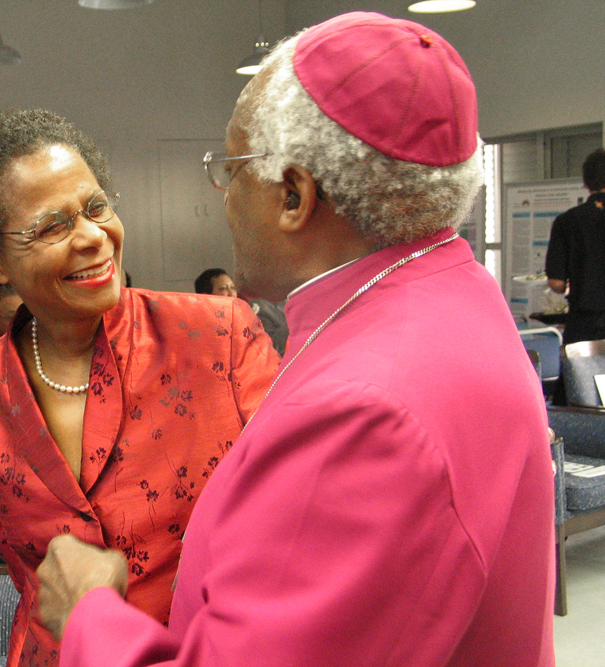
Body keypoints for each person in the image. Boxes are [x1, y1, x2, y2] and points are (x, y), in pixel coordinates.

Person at [36, 12, 555, 667]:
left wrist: (88, 612)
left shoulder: (364, 410)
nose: (223, 198)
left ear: (291, 195)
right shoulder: (454, 290)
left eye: (230, 169)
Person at [0, 108, 280, 667]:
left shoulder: (218, 337)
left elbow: (289, 524)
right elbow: (28, 575)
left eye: (96, 208)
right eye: (52, 225)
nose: (93, 238)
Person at [545, 148, 605, 345]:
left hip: (584, 325)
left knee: (583, 375)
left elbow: (556, 283)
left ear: (586, 182)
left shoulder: (567, 221)